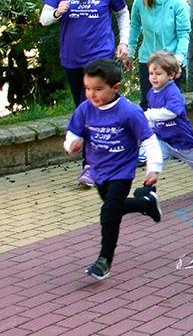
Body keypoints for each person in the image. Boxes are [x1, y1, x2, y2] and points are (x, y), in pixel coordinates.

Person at [40, 0, 130, 188]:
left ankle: (90, 166)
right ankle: (112, 152)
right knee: (87, 108)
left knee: (87, 108)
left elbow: (123, 13)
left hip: (99, 56)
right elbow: (44, 19)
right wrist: (57, 12)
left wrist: (124, 43)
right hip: (71, 57)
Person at [63, 58, 163, 280]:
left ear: (115, 87)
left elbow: (149, 140)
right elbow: (72, 134)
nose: (92, 95)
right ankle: (146, 203)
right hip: (98, 170)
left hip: (122, 171)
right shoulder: (85, 109)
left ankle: (104, 260)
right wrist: (72, 145)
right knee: (114, 206)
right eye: (87, 89)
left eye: (98, 89)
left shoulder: (129, 111)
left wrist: (153, 168)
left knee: (109, 214)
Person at [139, 51, 193, 200]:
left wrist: (148, 115)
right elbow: (153, 116)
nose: (154, 77)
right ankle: (149, 187)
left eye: (158, 74)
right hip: (162, 137)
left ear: (171, 75)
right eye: (151, 73)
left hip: (180, 137)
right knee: (155, 161)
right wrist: (148, 128)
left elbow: (172, 112)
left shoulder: (172, 91)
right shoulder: (151, 93)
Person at [126, 0, 190, 109]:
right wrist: (130, 52)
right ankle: (146, 132)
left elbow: (183, 34)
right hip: (148, 60)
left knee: (169, 105)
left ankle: (172, 132)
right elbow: (135, 26)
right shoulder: (140, 0)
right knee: (147, 102)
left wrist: (178, 60)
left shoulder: (178, 3)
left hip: (171, 61)